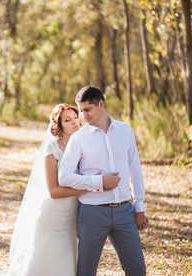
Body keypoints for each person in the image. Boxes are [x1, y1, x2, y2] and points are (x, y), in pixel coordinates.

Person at [59, 86, 149, 276]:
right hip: (92, 213)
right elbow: (64, 176)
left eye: (87, 110)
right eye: (80, 110)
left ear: (101, 104)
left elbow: (135, 169)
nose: (83, 116)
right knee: (86, 271)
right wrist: (99, 182)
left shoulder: (125, 130)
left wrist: (139, 207)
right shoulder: (79, 139)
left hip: (125, 211)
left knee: (137, 269)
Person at [7, 104, 87, 276]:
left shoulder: (83, 145)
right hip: (53, 216)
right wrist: (87, 187)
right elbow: (53, 191)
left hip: (72, 218)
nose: (74, 122)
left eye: (75, 117)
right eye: (67, 120)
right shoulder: (52, 150)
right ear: (59, 126)